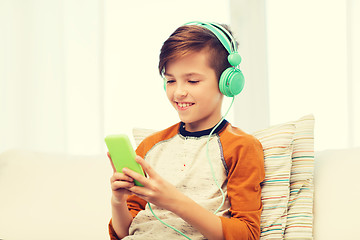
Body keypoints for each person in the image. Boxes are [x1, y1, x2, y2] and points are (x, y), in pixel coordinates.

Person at [108, 21, 265, 240]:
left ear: (226, 82)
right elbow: (125, 232)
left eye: (192, 81)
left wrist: (173, 201)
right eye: (170, 80)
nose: (178, 92)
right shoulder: (150, 147)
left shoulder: (241, 147)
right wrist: (117, 201)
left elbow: (246, 235)